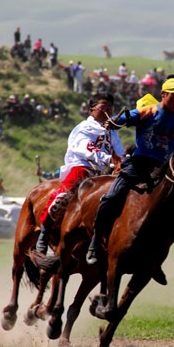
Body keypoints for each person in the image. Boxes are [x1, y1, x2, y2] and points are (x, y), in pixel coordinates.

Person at [86, 75, 174, 265]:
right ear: (163, 94)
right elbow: (127, 118)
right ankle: (95, 242)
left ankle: (156, 259)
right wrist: (113, 122)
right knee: (110, 198)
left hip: (162, 171)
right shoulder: (149, 111)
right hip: (138, 164)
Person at [31, 93, 125, 258]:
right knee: (64, 196)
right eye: (103, 107)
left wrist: (123, 161)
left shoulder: (113, 132)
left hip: (104, 171)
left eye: (111, 107)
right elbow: (85, 148)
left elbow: (119, 152)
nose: (108, 111)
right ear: (91, 110)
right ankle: (44, 232)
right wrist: (108, 159)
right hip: (83, 167)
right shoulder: (83, 128)